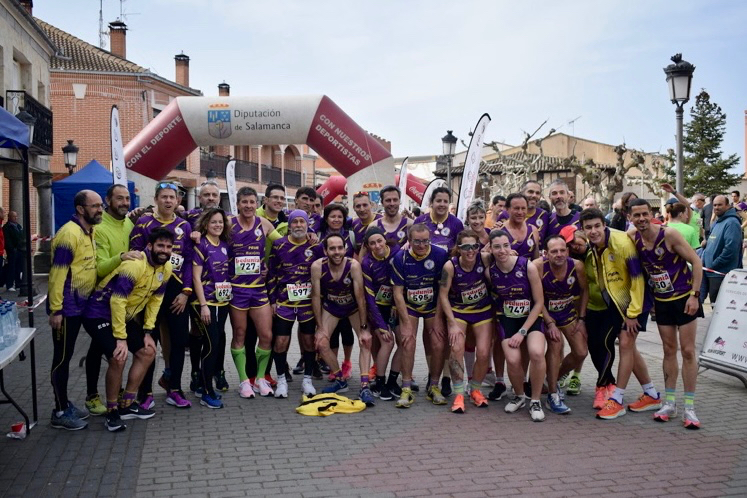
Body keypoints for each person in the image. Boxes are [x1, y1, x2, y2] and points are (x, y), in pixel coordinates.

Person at [83, 227, 173, 430]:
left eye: (168, 247)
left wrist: (148, 331)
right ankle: (112, 410)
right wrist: (121, 338)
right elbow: (117, 301)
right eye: (160, 245)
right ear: (150, 246)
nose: (164, 250)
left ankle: (127, 404)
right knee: (118, 356)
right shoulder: (134, 265)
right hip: (98, 312)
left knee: (148, 352)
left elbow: (155, 301)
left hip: (124, 315)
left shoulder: (165, 269)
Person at [628, 199, 704, 429]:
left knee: (688, 351)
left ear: (651, 214)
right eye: (636, 215)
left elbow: (696, 262)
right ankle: (670, 403)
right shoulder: (633, 238)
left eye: (644, 214)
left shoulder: (669, 235)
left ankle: (689, 407)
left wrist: (695, 295)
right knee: (669, 350)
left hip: (684, 299)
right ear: (630, 218)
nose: (641, 219)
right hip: (661, 302)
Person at [580, 208, 661, 420]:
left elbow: (637, 280)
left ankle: (616, 399)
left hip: (637, 302)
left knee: (625, 344)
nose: (593, 231)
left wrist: (633, 313)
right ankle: (651, 394)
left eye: (597, 226)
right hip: (618, 303)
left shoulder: (622, 243)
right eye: (588, 228)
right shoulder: (594, 244)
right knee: (630, 348)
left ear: (604, 225)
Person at [130, 182, 194, 409]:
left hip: (176, 292)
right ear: (156, 199)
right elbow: (134, 255)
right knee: (149, 343)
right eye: (164, 197)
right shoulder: (143, 222)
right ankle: (144, 392)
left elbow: (188, 262)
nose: (168, 201)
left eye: (172, 197)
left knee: (178, 341)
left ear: (178, 201)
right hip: (149, 291)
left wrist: (186, 292)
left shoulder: (184, 226)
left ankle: (174, 388)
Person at [84, 184, 142, 417]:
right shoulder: (99, 227)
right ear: (108, 201)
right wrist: (121, 257)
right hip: (98, 299)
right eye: (119, 199)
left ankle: (115, 395)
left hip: (122, 302)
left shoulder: (129, 223)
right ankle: (93, 396)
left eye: (127, 198)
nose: (124, 203)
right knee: (108, 352)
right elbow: (99, 267)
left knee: (99, 348)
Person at [48, 190, 103, 430]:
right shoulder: (68, 234)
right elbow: (57, 275)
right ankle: (59, 411)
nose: (99, 209)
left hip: (82, 306)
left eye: (101, 205)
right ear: (81, 209)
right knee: (61, 359)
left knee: (68, 356)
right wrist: (56, 309)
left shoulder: (88, 231)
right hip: (67, 310)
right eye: (94, 206)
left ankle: (66, 404)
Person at [486, 230, 546, 422]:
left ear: (510, 246)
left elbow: (539, 302)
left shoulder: (527, 266)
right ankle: (520, 395)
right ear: (491, 249)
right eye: (497, 247)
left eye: (505, 245)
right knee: (512, 360)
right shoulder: (490, 272)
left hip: (531, 318)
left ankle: (535, 400)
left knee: (536, 352)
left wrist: (523, 332)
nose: (502, 250)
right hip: (507, 319)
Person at [228, 187, 282, 398]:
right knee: (240, 335)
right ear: (238, 204)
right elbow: (212, 242)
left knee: (266, 336)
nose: (248, 206)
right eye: (244, 202)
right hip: (237, 291)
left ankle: (260, 378)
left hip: (259, 290)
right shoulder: (229, 224)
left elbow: (283, 244)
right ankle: (244, 381)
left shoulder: (264, 224)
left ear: (257, 203)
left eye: (252, 202)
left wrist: (310, 241)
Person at [391, 223, 449, 407]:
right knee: (407, 340)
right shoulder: (400, 257)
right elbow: (398, 293)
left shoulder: (441, 255)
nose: (422, 245)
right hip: (410, 305)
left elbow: (443, 289)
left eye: (425, 241)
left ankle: (434, 385)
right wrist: (406, 323)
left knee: (438, 342)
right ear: (409, 241)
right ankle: (406, 387)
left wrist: (439, 319)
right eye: (417, 242)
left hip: (433, 305)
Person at [311, 234, 373, 404]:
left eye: (340, 248)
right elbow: (316, 297)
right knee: (321, 342)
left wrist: (364, 327)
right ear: (325, 250)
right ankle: (340, 379)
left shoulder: (353, 265)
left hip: (353, 307)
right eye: (332, 248)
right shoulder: (317, 266)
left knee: (365, 341)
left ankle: (365, 386)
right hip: (331, 308)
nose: (337, 252)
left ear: (345, 249)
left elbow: (360, 297)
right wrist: (320, 327)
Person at [532, 235, 588, 415]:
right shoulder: (538, 267)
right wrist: (549, 323)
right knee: (555, 345)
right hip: (545, 313)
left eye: (562, 250)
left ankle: (551, 379)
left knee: (581, 352)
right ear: (546, 254)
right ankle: (553, 395)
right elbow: (537, 299)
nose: (559, 254)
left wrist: (582, 318)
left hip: (568, 313)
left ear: (568, 251)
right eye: (554, 251)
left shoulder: (577, 266)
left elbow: (585, 289)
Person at [267, 210, 320, 397]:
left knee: (308, 342)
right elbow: (271, 274)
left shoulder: (315, 246)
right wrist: (272, 301)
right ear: (289, 225)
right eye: (295, 222)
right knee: (280, 342)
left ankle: (307, 380)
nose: (298, 225)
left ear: (307, 224)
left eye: (302, 221)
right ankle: (281, 380)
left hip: (308, 304)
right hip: (284, 303)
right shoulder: (279, 245)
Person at [439, 230, 493, 413]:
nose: (471, 251)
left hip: (482, 311)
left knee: (484, 353)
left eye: (474, 246)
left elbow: (504, 256)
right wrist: (452, 323)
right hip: (459, 312)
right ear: (458, 248)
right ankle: (459, 393)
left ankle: (475, 389)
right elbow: (443, 296)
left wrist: (511, 253)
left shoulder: (485, 258)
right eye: (466, 247)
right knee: (456, 349)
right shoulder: (450, 266)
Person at [190, 209, 232, 408]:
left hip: (222, 302)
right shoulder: (201, 245)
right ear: (206, 224)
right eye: (214, 222)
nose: (218, 225)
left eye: (221, 222)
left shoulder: (223, 245)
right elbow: (196, 277)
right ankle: (206, 392)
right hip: (205, 304)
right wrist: (204, 305)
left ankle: (205, 385)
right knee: (211, 346)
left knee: (215, 343)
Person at [360, 227, 399, 400]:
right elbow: (369, 297)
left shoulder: (397, 252)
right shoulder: (366, 263)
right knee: (387, 342)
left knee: (406, 341)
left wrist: (397, 306)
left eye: (379, 241)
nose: (377, 246)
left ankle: (393, 380)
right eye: (372, 243)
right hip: (377, 308)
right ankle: (379, 383)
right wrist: (381, 326)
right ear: (368, 246)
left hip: (397, 305)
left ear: (385, 240)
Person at [701, 194, 743, 304]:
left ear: (728, 206)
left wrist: (714, 264)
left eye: (720, 205)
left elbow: (730, 250)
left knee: (720, 309)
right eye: (714, 205)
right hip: (711, 273)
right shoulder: (717, 222)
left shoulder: (732, 223)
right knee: (714, 307)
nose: (716, 207)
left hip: (721, 274)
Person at [415, 186, 464, 252]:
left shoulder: (457, 223)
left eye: (445, 201)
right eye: (438, 201)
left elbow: (460, 249)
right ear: (431, 203)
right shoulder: (420, 221)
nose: (442, 204)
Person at [502, 193, 540, 260]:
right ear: (507, 209)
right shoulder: (499, 231)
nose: (520, 212)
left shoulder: (533, 230)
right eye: (516, 208)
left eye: (523, 208)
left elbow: (536, 260)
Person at [4, 210, 25, 292]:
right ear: (9, 217)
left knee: (18, 268)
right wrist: (11, 249)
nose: (16, 218)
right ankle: (9, 284)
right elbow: (7, 240)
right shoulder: (6, 227)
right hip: (12, 251)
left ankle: (18, 283)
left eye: (16, 216)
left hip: (19, 251)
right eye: (14, 216)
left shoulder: (18, 226)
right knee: (11, 268)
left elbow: (22, 237)